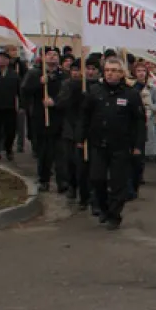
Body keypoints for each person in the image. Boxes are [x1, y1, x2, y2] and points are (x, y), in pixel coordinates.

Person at [79, 58, 144, 230]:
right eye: (107, 70)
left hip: (121, 145)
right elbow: (85, 117)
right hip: (98, 143)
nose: (110, 73)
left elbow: (139, 122)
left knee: (118, 183)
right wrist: (81, 138)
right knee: (97, 178)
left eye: (114, 70)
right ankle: (103, 207)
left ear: (122, 73)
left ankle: (114, 214)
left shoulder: (130, 94)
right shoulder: (94, 91)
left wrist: (138, 145)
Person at [58, 54, 101, 212]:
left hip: (95, 133)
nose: (90, 72)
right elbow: (63, 105)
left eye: (93, 69)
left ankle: (94, 199)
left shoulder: (100, 88)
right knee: (77, 165)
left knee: (95, 168)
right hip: (74, 131)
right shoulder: (72, 86)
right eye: (87, 69)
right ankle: (79, 193)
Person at [22, 47, 67, 193]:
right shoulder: (35, 73)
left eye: (55, 54)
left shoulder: (64, 76)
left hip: (60, 118)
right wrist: (39, 84)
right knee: (44, 152)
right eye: (49, 55)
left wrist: (55, 102)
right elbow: (25, 90)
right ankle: (44, 179)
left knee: (61, 153)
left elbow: (68, 95)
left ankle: (62, 182)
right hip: (41, 118)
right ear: (43, 57)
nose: (52, 57)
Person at [127, 64, 156, 199]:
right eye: (138, 71)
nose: (141, 73)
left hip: (147, 121)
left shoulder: (152, 88)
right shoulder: (130, 88)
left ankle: (138, 176)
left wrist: (151, 108)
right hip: (133, 124)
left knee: (141, 153)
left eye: (143, 71)